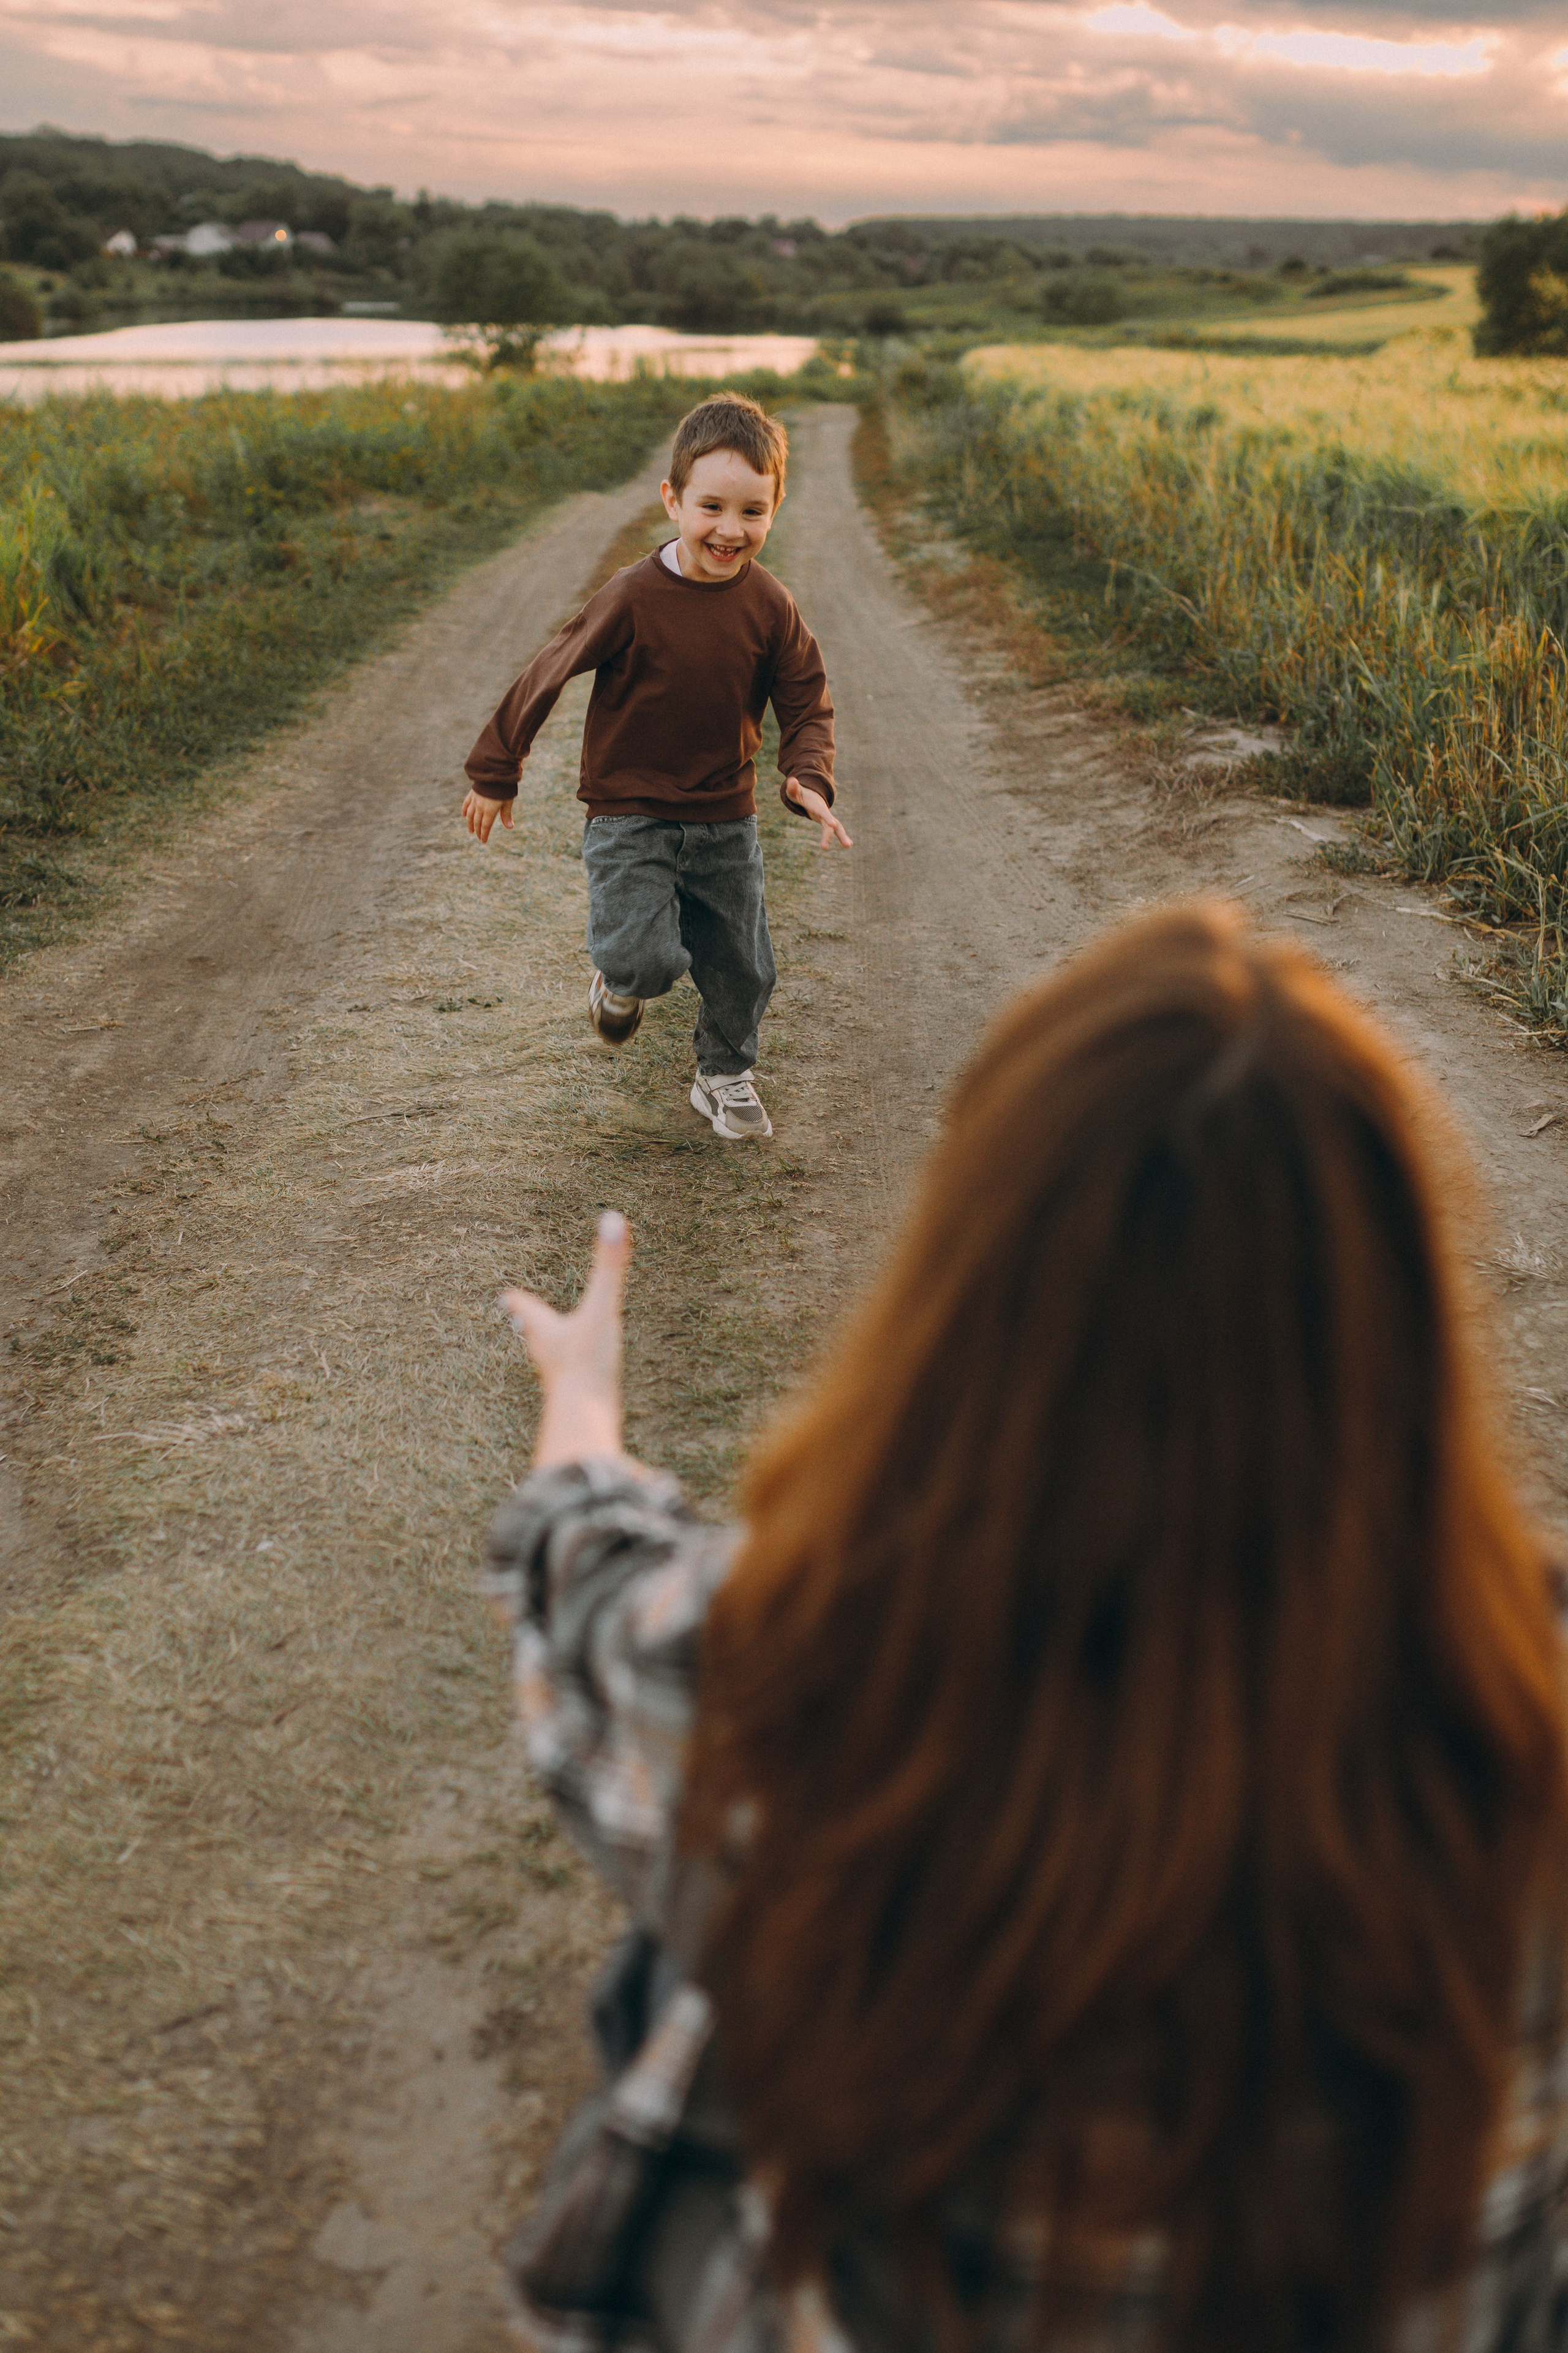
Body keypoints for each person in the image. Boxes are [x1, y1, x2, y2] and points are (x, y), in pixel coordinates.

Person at [484, 901, 1568, 2353]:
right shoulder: (1526, 1716)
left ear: (971, 1291)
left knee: (680, 1975)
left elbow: (585, 1585)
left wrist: (581, 1406)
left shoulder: (807, 1677)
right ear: (1397, 1312)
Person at [461, 391, 851, 1144]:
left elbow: (807, 701)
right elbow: (551, 667)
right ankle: (622, 978)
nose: (730, 530)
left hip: (725, 820)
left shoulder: (770, 606)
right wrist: (496, 768)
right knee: (645, 958)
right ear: (673, 500)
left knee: (744, 966)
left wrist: (808, 776)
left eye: (752, 512)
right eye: (711, 507)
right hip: (628, 813)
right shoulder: (633, 596)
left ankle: (724, 1075)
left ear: (774, 508)